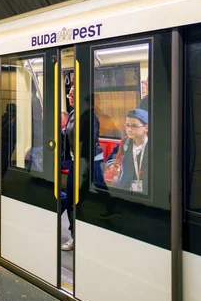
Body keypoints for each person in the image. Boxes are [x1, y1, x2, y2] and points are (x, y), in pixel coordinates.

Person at [60, 87, 104, 251]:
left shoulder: (89, 116)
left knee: (88, 200)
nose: (69, 97)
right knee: (72, 198)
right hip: (75, 162)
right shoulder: (72, 114)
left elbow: (88, 142)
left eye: (72, 95)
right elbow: (67, 135)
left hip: (89, 163)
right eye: (69, 95)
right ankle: (74, 235)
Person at [105, 108, 149, 193]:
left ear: (146, 128)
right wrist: (113, 165)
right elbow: (112, 157)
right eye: (127, 125)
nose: (129, 129)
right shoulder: (125, 142)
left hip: (146, 192)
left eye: (134, 126)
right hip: (126, 188)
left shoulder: (153, 147)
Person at [0, 103, 17, 175]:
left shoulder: (4, 117)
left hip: (3, 140)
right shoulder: (15, 119)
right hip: (10, 141)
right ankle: (3, 172)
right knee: (7, 157)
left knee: (2, 155)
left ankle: (0, 169)